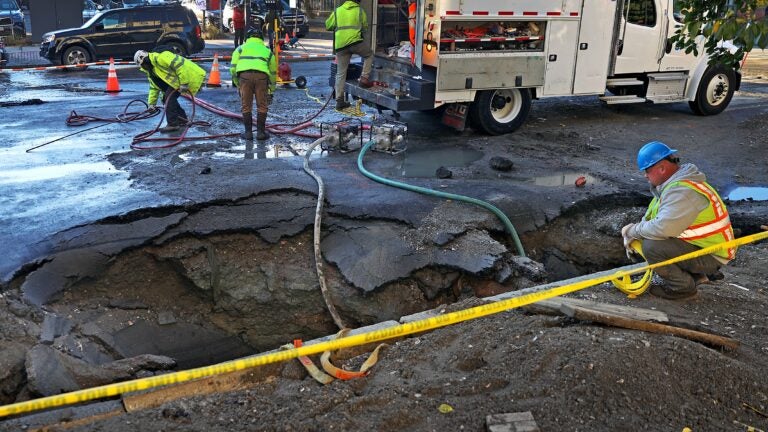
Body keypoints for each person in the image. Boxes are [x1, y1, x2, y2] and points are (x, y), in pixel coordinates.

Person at [621, 141, 736, 300]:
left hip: (712, 254)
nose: (645, 175)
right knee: (651, 237)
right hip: (704, 247)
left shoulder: (682, 192)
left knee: (652, 246)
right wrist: (636, 231)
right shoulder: (673, 185)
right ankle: (696, 276)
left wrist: (632, 231)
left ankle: (682, 289)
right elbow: (653, 216)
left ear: (662, 168)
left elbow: (663, 228)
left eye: (647, 170)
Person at [134, 49, 206, 133]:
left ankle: (173, 124)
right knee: (166, 98)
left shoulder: (162, 57)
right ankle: (182, 120)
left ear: (145, 59)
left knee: (169, 97)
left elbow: (179, 66)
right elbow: (154, 87)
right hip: (179, 81)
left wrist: (184, 83)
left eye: (143, 65)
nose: (144, 67)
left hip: (189, 76)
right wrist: (151, 104)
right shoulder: (151, 71)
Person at [230, 26, 277, 141]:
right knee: (262, 105)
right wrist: (271, 89)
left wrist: (237, 83)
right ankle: (260, 133)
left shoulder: (240, 49)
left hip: (244, 77)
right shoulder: (267, 51)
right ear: (261, 38)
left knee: (246, 106)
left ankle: (248, 133)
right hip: (262, 77)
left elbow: (232, 69)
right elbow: (273, 73)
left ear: (247, 38)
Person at [326, 0, 374, 110]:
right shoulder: (360, 11)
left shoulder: (337, 11)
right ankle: (364, 78)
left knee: (340, 73)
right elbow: (365, 27)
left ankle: (339, 101)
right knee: (369, 55)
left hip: (341, 46)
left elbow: (328, 25)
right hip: (355, 43)